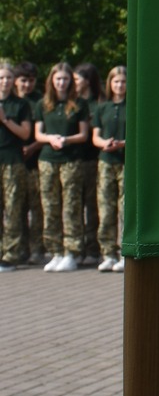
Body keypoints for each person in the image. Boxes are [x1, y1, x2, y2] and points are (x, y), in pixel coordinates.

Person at [34, 61, 91, 271]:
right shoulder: (43, 104)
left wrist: (65, 140)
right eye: (58, 78)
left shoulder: (79, 104)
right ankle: (55, 250)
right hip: (48, 159)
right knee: (50, 205)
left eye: (65, 79)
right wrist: (50, 138)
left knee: (71, 206)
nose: (61, 82)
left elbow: (84, 135)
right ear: (51, 80)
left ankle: (71, 252)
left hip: (71, 160)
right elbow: (37, 133)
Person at [92, 65, 127, 270]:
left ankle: (124, 252)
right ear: (110, 83)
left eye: (123, 82)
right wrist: (104, 143)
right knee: (105, 208)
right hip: (106, 162)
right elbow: (95, 136)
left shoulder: (133, 106)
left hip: (125, 162)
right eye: (116, 81)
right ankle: (108, 253)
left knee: (125, 209)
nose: (120, 85)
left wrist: (122, 144)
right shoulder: (102, 108)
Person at [0, 61, 33, 271]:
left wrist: (5, 120)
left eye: (8, 78)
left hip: (12, 161)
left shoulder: (20, 105)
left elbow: (25, 134)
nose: (5, 81)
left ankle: (10, 255)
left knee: (13, 209)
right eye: (1, 78)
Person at [73, 64, 103, 265]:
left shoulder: (99, 102)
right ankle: (76, 248)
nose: (74, 83)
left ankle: (93, 247)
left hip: (94, 159)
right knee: (74, 206)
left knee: (93, 206)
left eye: (77, 79)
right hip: (74, 158)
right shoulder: (72, 102)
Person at [15, 65, 44, 261]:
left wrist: (32, 147)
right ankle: (20, 248)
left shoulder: (40, 101)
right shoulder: (10, 100)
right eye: (23, 80)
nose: (27, 84)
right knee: (17, 208)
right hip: (14, 161)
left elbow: (47, 130)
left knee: (36, 207)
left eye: (31, 80)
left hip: (35, 161)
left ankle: (36, 248)